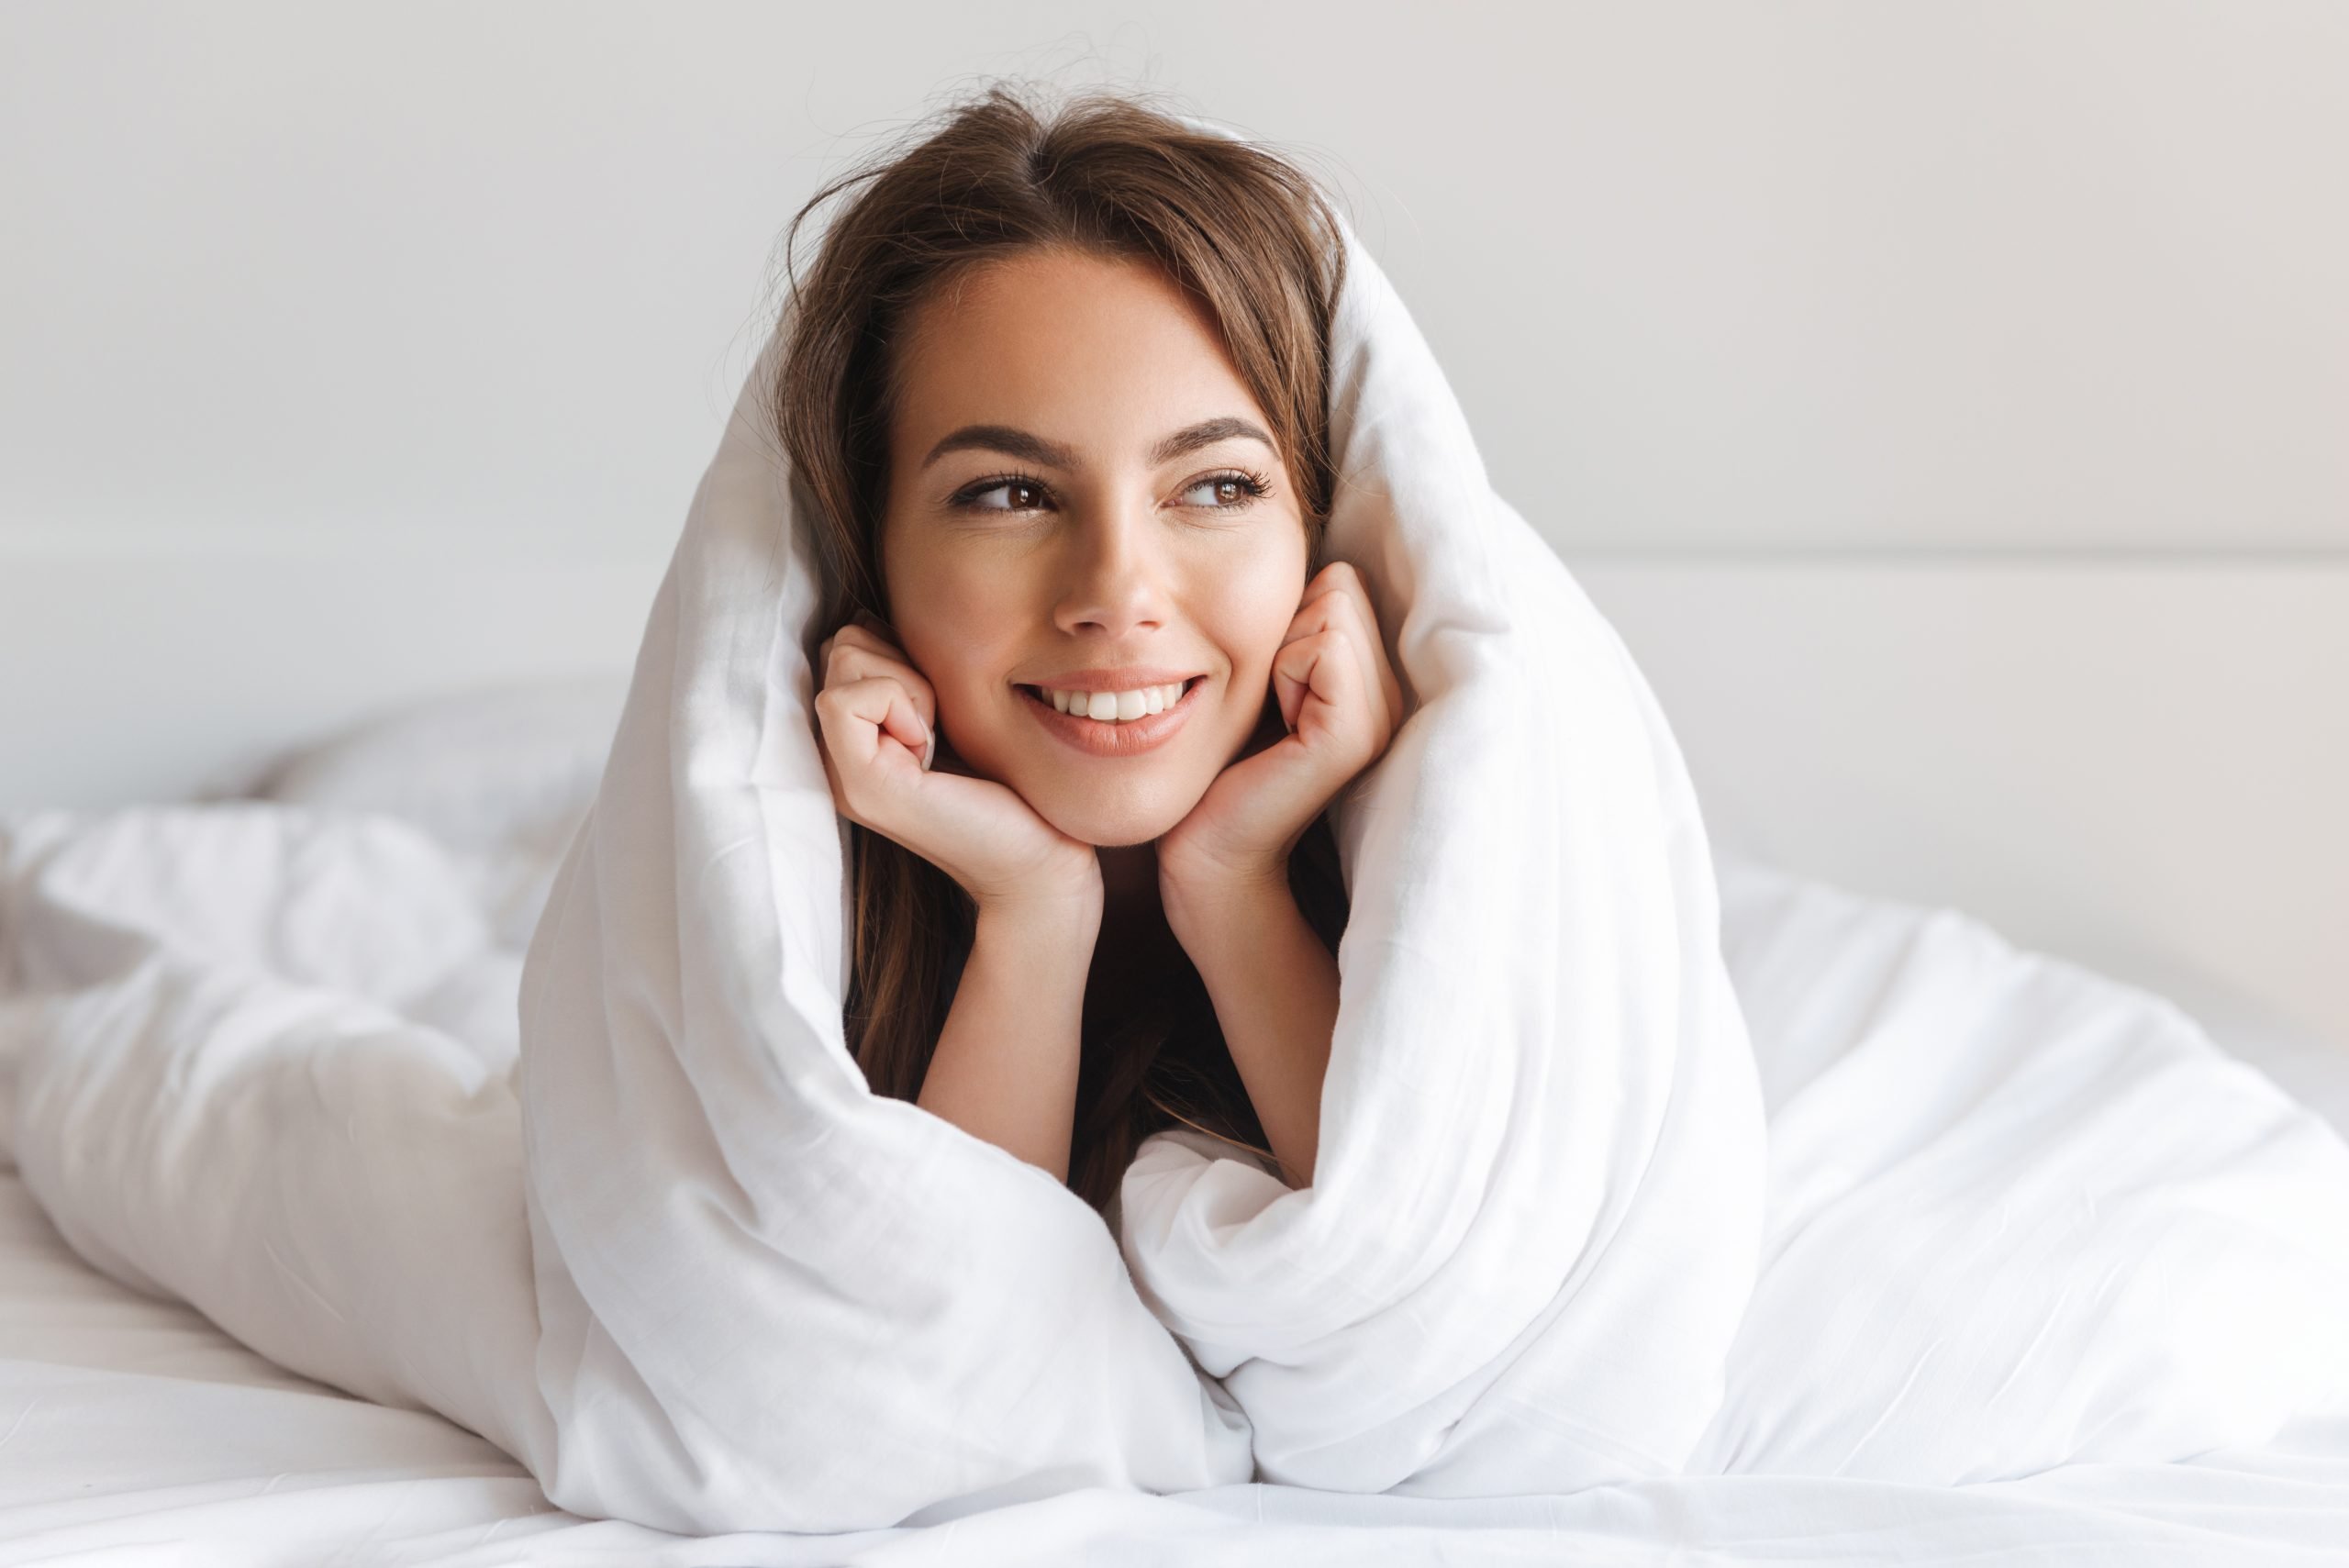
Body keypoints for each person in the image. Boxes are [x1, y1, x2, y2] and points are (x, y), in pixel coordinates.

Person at [772, 83, 1404, 1212]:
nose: (1116, 595)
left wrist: (1233, 880)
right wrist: (1032, 911)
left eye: (1214, 485)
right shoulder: (776, 918)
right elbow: (951, 1353)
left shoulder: (1440, 884)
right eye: (1010, 492)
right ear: (868, 548)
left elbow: (1415, 1287)